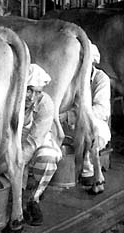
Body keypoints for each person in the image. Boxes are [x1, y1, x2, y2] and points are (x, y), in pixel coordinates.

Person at [60, 44, 111, 194]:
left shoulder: (101, 79)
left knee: (92, 130)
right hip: (72, 123)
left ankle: (90, 169)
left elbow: (101, 109)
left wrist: (73, 116)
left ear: (93, 63)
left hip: (94, 122)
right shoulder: (72, 78)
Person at [22, 64, 62, 226]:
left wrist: (19, 163)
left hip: (38, 139)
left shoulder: (46, 104)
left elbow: (34, 140)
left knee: (48, 158)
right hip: (12, 140)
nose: (32, 97)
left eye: (38, 92)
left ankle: (32, 198)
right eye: (29, 90)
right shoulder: (10, 98)